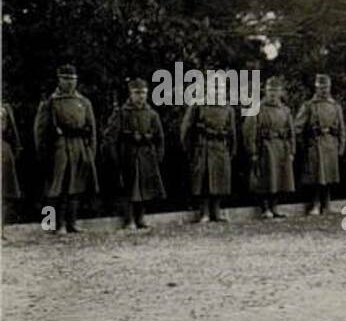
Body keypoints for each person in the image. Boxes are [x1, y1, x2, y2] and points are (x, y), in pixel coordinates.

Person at [34, 64, 98, 234]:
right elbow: (40, 132)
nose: (69, 83)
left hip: (79, 146)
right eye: (65, 79)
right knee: (58, 187)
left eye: (72, 79)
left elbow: (92, 129)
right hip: (59, 148)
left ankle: (72, 222)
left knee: (76, 185)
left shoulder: (83, 102)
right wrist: (44, 154)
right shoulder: (51, 102)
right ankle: (56, 223)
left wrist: (91, 151)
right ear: (59, 80)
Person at [103, 77, 166, 229]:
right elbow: (110, 137)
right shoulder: (122, 113)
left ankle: (141, 218)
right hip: (128, 155)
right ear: (130, 94)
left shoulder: (152, 114)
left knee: (144, 188)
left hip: (146, 155)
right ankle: (129, 219)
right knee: (129, 188)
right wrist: (114, 157)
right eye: (137, 93)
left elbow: (160, 137)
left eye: (144, 93)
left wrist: (158, 155)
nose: (141, 96)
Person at [180, 76, 237, 223]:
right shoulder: (198, 106)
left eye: (221, 88)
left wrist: (231, 150)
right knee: (203, 181)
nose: (217, 91)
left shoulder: (228, 109)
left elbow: (232, 132)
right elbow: (186, 129)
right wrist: (189, 149)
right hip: (203, 147)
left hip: (220, 147)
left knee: (220, 180)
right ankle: (204, 212)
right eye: (214, 87)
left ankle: (216, 211)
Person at [243, 75, 295, 219]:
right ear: (265, 91)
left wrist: (291, 150)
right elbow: (249, 132)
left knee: (279, 179)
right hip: (265, 148)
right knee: (265, 179)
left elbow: (291, 132)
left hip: (281, 147)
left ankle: (275, 207)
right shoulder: (257, 108)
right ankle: (265, 208)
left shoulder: (285, 110)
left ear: (281, 92)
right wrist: (252, 151)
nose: (273, 94)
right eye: (270, 90)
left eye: (276, 91)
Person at [296, 74, 346, 215]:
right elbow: (297, 127)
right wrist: (305, 143)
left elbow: (342, 128)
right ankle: (315, 204)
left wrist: (341, 146)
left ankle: (327, 204)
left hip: (331, 144)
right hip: (315, 145)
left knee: (329, 176)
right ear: (316, 88)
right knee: (317, 177)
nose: (324, 90)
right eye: (321, 87)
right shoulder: (309, 106)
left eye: (326, 87)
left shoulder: (335, 106)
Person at [2, 97, 24, 225]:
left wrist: (16, 148)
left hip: (3, 149)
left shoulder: (5, 107)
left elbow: (13, 130)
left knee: (5, 193)